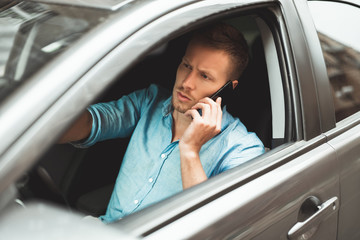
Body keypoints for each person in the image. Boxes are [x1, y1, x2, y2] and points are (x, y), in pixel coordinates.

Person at [59, 22, 265, 223]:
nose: (186, 83)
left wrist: (190, 151)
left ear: (229, 88)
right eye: (186, 66)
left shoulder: (242, 149)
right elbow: (90, 122)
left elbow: (215, 226)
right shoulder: (150, 101)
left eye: (204, 76)